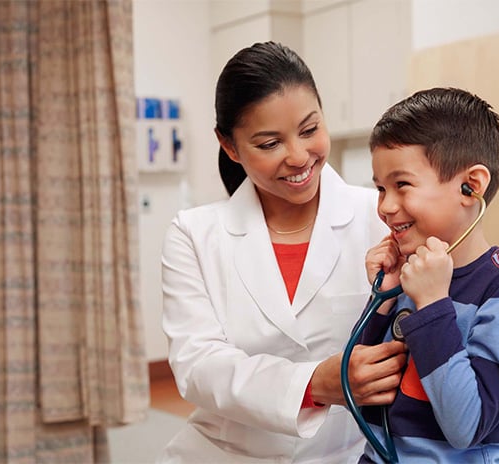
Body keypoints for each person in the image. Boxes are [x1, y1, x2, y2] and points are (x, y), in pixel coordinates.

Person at [157, 41, 407, 463]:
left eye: (309, 130)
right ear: (230, 146)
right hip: (226, 453)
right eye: (270, 143)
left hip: (350, 453)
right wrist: (317, 383)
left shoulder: (382, 217)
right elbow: (199, 366)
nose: (298, 156)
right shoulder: (194, 234)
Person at [358, 87, 499, 463]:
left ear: (470, 187)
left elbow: (467, 428)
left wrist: (431, 303)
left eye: (401, 185)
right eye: (379, 188)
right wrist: (386, 296)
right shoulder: (408, 274)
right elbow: (359, 392)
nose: (385, 207)